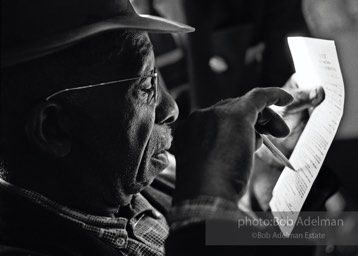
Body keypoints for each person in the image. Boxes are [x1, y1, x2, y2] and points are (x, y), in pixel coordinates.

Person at [0, 0, 332, 255]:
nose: (171, 108)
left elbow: (255, 233)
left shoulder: (146, 180)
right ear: (54, 127)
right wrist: (203, 201)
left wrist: (276, 181)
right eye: (145, 86)